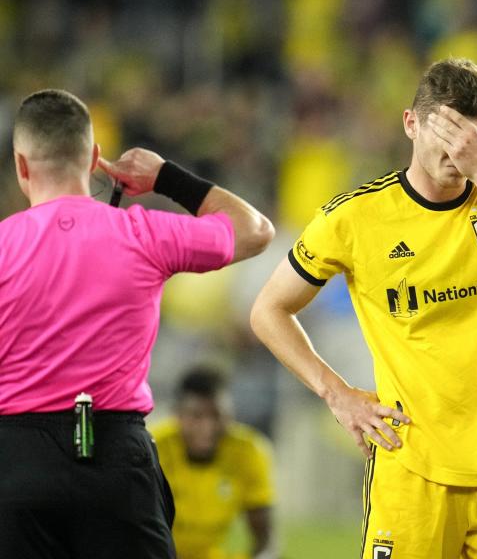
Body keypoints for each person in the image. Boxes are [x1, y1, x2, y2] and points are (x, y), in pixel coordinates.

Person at [250, 58, 477, 558]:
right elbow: (268, 310)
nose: (460, 149)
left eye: (476, 134)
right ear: (411, 124)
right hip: (411, 474)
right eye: (447, 130)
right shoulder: (355, 219)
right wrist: (337, 394)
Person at [0, 89, 274, 558]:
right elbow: (254, 230)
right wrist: (167, 177)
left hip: (16, 467)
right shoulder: (142, 234)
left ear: (21, 165)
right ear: (94, 158)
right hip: (114, 461)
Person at [152, 367, 275, 559]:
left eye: (216, 415)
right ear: (177, 415)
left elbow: (266, 541)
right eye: (196, 416)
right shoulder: (153, 449)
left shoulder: (249, 452)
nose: (207, 427)